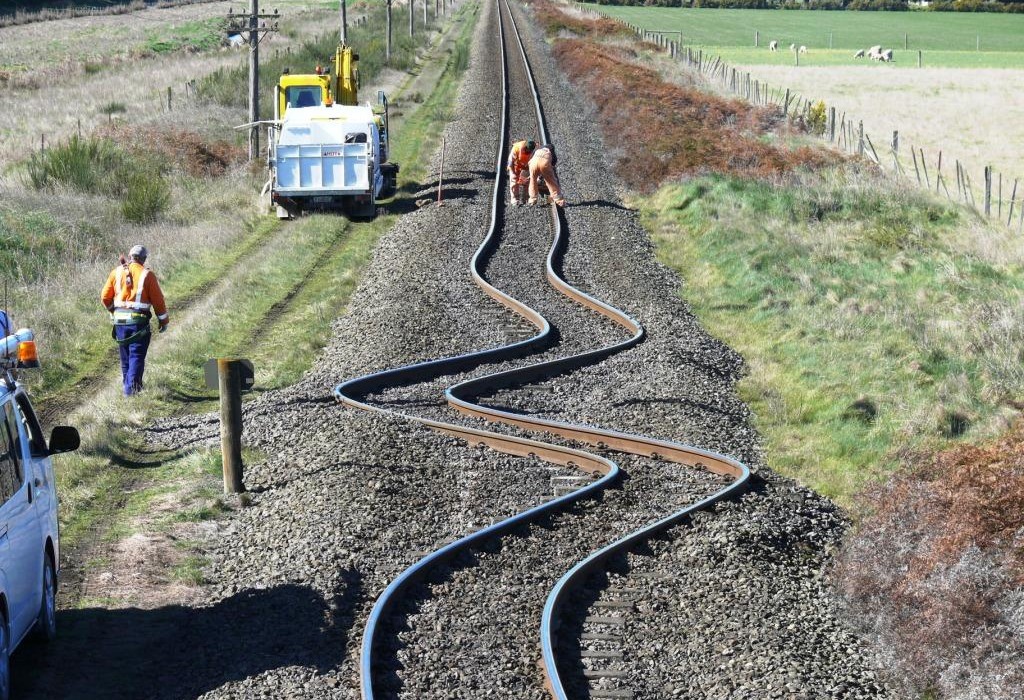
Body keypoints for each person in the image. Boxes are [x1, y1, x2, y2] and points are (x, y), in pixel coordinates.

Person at [100, 245, 168, 396]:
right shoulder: (147, 275)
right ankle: (131, 392)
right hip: (138, 323)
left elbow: (105, 297)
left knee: (125, 358)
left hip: (119, 323)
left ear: (130, 256)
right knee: (136, 356)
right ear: (144, 259)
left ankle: (129, 388)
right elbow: (158, 301)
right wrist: (163, 321)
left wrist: (113, 311)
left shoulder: (116, 272)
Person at [506, 139, 536, 206]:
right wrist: (513, 173)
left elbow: (534, 165)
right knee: (514, 181)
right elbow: (510, 162)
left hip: (526, 166)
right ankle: (514, 199)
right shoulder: (516, 148)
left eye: (530, 151)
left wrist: (530, 175)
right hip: (516, 165)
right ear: (525, 147)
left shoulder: (534, 152)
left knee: (527, 181)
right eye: (528, 150)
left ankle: (525, 199)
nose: (529, 152)